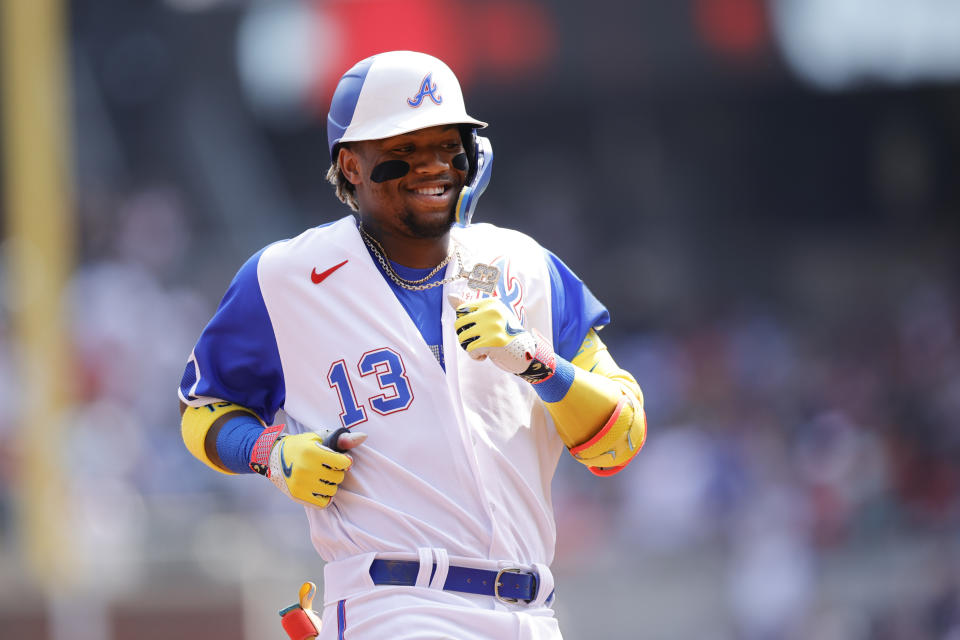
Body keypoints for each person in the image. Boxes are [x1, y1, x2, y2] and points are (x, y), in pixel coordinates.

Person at [178, 50, 646, 640]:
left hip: (532, 611)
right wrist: (270, 453)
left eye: (448, 145)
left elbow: (620, 440)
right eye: (403, 151)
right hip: (396, 604)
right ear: (351, 165)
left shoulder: (523, 266)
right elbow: (201, 408)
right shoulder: (285, 277)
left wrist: (540, 364)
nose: (434, 166)